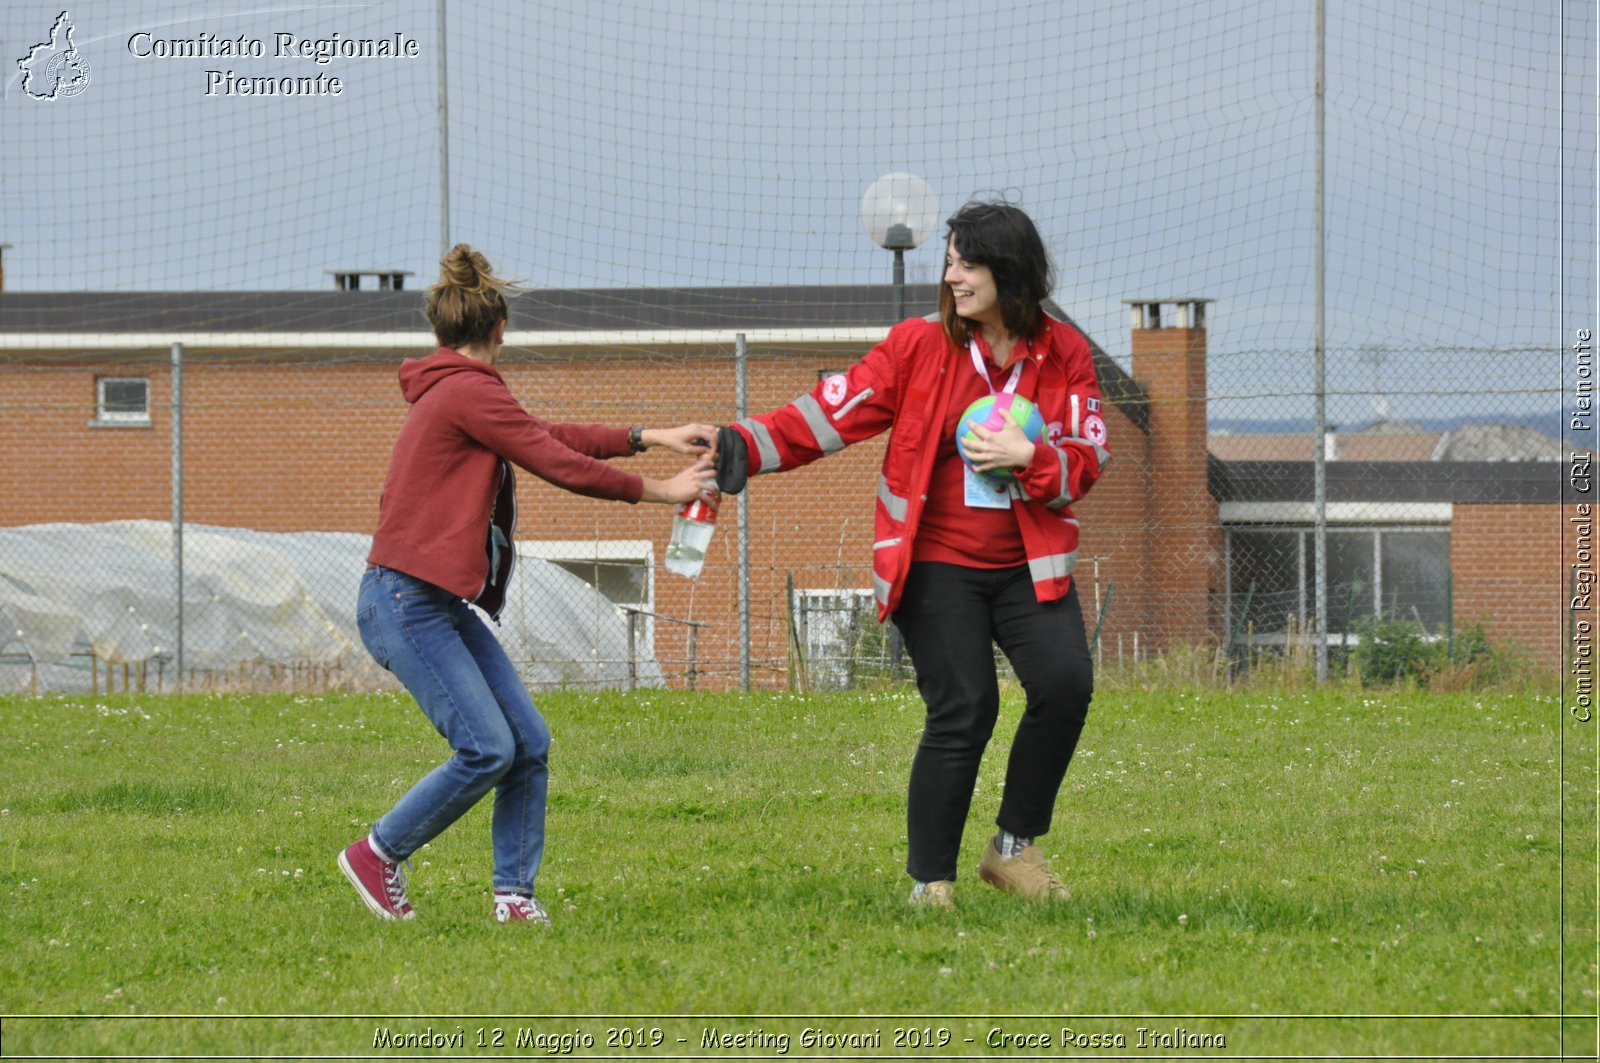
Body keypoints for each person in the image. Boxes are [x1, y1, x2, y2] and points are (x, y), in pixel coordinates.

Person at [713, 201, 1109, 909]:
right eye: (949, 261)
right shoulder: (917, 346)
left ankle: (1012, 848)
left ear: (1008, 270)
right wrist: (741, 445)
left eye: (966, 261)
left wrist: (1033, 455)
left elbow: (1090, 453)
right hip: (936, 565)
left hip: (1029, 564)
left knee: (1066, 683)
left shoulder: (1065, 353)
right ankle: (931, 882)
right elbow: (829, 413)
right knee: (966, 705)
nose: (952, 275)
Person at [339, 244, 717, 924]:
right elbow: (556, 460)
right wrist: (665, 490)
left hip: (429, 600)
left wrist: (650, 435)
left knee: (527, 741)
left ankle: (514, 896)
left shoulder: (457, 390)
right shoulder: (468, 391)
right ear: (501, 329)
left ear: (443, 331)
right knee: (487, 746)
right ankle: (378, 852)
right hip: (405, 600)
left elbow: (546, 433)